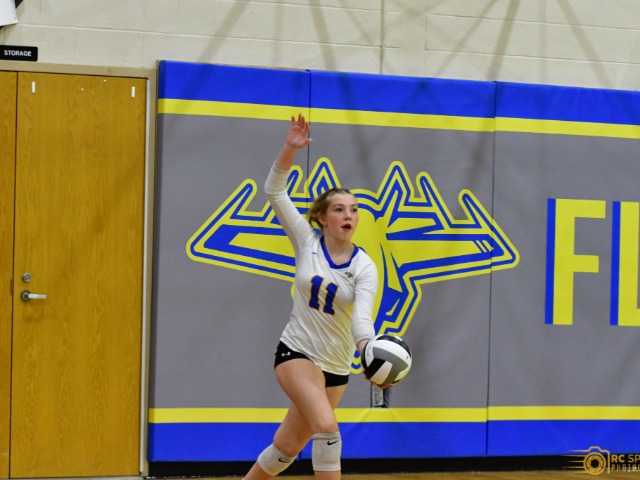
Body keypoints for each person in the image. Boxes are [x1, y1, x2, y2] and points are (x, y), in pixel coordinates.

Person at [243, 114, 379, 480]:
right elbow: (275, 191)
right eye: (339, 209)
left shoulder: (364, 267)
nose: (348, 215)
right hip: (297, 352)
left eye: (354, 209)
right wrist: (290, 147)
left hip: (336, 366)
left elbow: (362, 320)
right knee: (328, 428)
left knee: (285, 449)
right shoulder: (307, 242)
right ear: (321, 218)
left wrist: (370, 355)